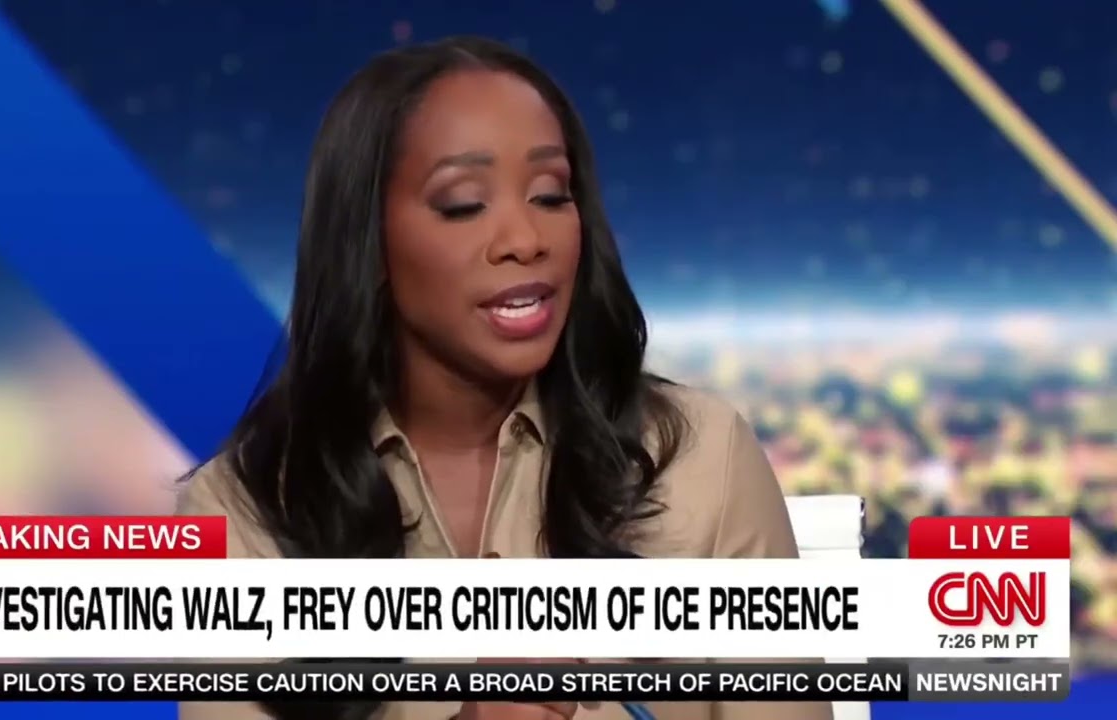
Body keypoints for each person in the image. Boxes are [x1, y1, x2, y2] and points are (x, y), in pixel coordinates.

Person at [177, 36, 833, 720]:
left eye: (551, 195)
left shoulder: (703, 457)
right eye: (464, 204)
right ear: (367, 243)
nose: (526, 240)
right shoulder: (241, 515)